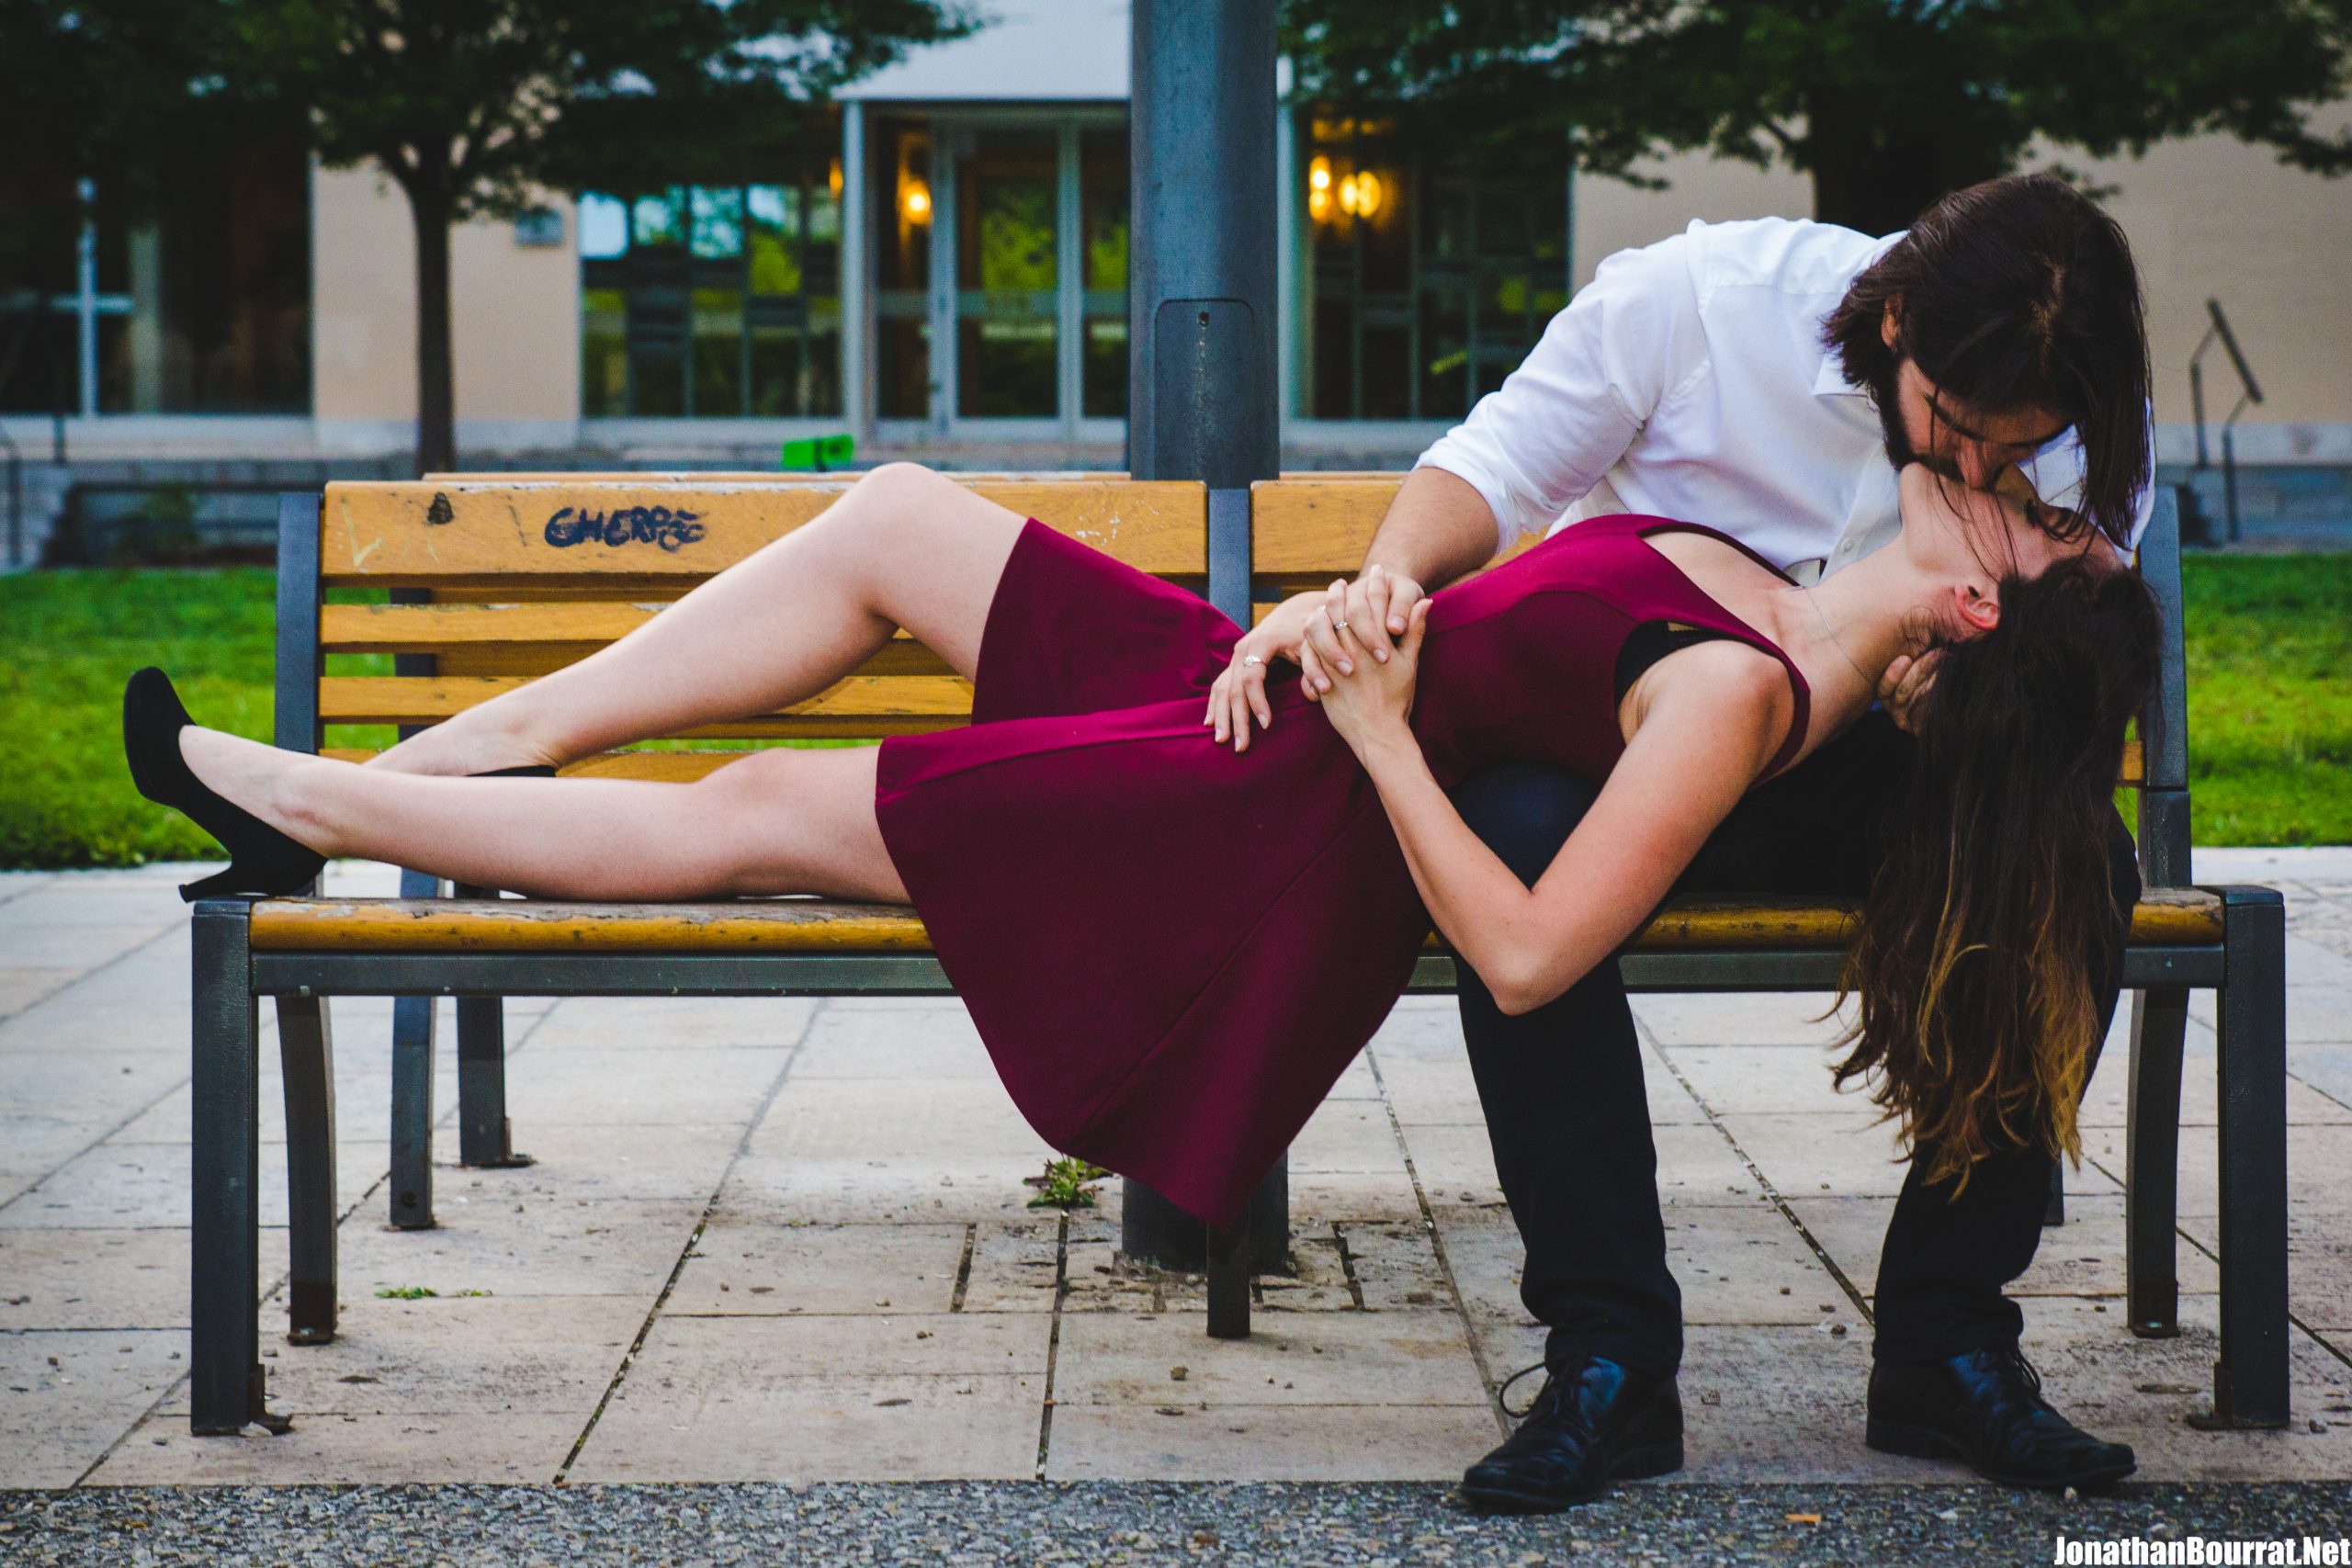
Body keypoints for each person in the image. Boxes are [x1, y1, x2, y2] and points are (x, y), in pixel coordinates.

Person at [133, 446, 2145, 1448]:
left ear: (1976, 608)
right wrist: (1341, 619)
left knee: (759, 810)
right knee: (893, 516)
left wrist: (1378, 726)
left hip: (1266, 817)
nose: (2031, 482)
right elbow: (1482, 605)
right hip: (1255, 703)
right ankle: (444, 760)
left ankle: (312, 805)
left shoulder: (1734, 695)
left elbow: (1529, 957)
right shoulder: (1765, 568)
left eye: (2053, 521)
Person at [1205, 171, 2159, 1508]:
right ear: (1897, 325)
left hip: (1882, 769)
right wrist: (1384, 588)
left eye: (2021, 454)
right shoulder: (1703, 303)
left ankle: (1946, 1340)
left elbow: (2065, 661)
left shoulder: (2084, 409)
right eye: (1957, 430)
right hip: (1641, 741)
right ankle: (1609, 1356)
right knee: (1517, 830)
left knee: (2080, 858)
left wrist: (1959, 696)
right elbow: (1493, 467)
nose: (1976, 474)